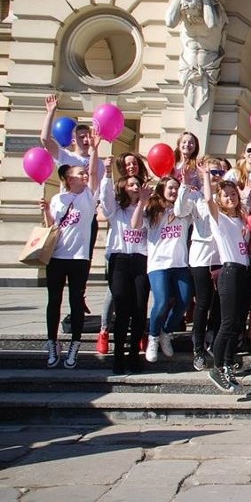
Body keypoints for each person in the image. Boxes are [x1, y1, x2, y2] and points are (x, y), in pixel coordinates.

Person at [40, 132, 102, 369]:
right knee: (53, 300)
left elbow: (95, 172)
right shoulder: (58, 199)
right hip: (57, 257)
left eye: (84, 172)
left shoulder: (88, 196)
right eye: (79, 173)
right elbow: (52, 228)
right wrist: (46, 211)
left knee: (76, 301)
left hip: (79, 258)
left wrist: (95, 149)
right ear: (67, 178)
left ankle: (75, 344)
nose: (84, 174)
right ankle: (52, 342)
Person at [201, 166, 251, 393]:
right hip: (229, 272)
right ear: (220, 199)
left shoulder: (241, 221)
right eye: (226, 195)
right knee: (228, 322)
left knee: (239, 324)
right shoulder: (218, 218)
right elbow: (207, 199)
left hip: (244, 272)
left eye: (233, 194)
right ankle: (217, 366)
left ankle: (228, 364)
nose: (230, 198)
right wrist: (206, 177)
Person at [133, 176, 193, 363]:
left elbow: (183, 205)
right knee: (162, 302)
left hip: (180, 264)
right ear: (161, 189)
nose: (174, 191)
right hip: (158, 264)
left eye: (176, 188)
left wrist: (185, 185)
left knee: (184, 301)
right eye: (170, 188)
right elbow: (134, 225)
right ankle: (153, 337)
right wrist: (142, 200)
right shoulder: (152, 208)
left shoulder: (184, 210)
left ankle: (166, 332)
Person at [175, 155, 226, 371]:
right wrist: (184, 185)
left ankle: (213, 339)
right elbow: (179, 211)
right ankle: (198, 348)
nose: (215, 177)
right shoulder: (195, 196)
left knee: (220, 302)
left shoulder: (227, 195)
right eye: (211, 172)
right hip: (201, 254)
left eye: (218, 173)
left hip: (222, 254)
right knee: (203, 301)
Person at [100, 161, 150, 374]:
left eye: (137, 184)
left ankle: (133, 356)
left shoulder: (148, 210)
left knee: (139, 309)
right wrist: (107, 172)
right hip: (120, 260)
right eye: (130, 184)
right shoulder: (116, 210)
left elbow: (138, 225)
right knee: (122, 309)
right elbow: (104, 197)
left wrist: (144, 202)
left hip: (141, 260)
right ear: (123, 187)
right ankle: (118, 356)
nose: (135, 187)